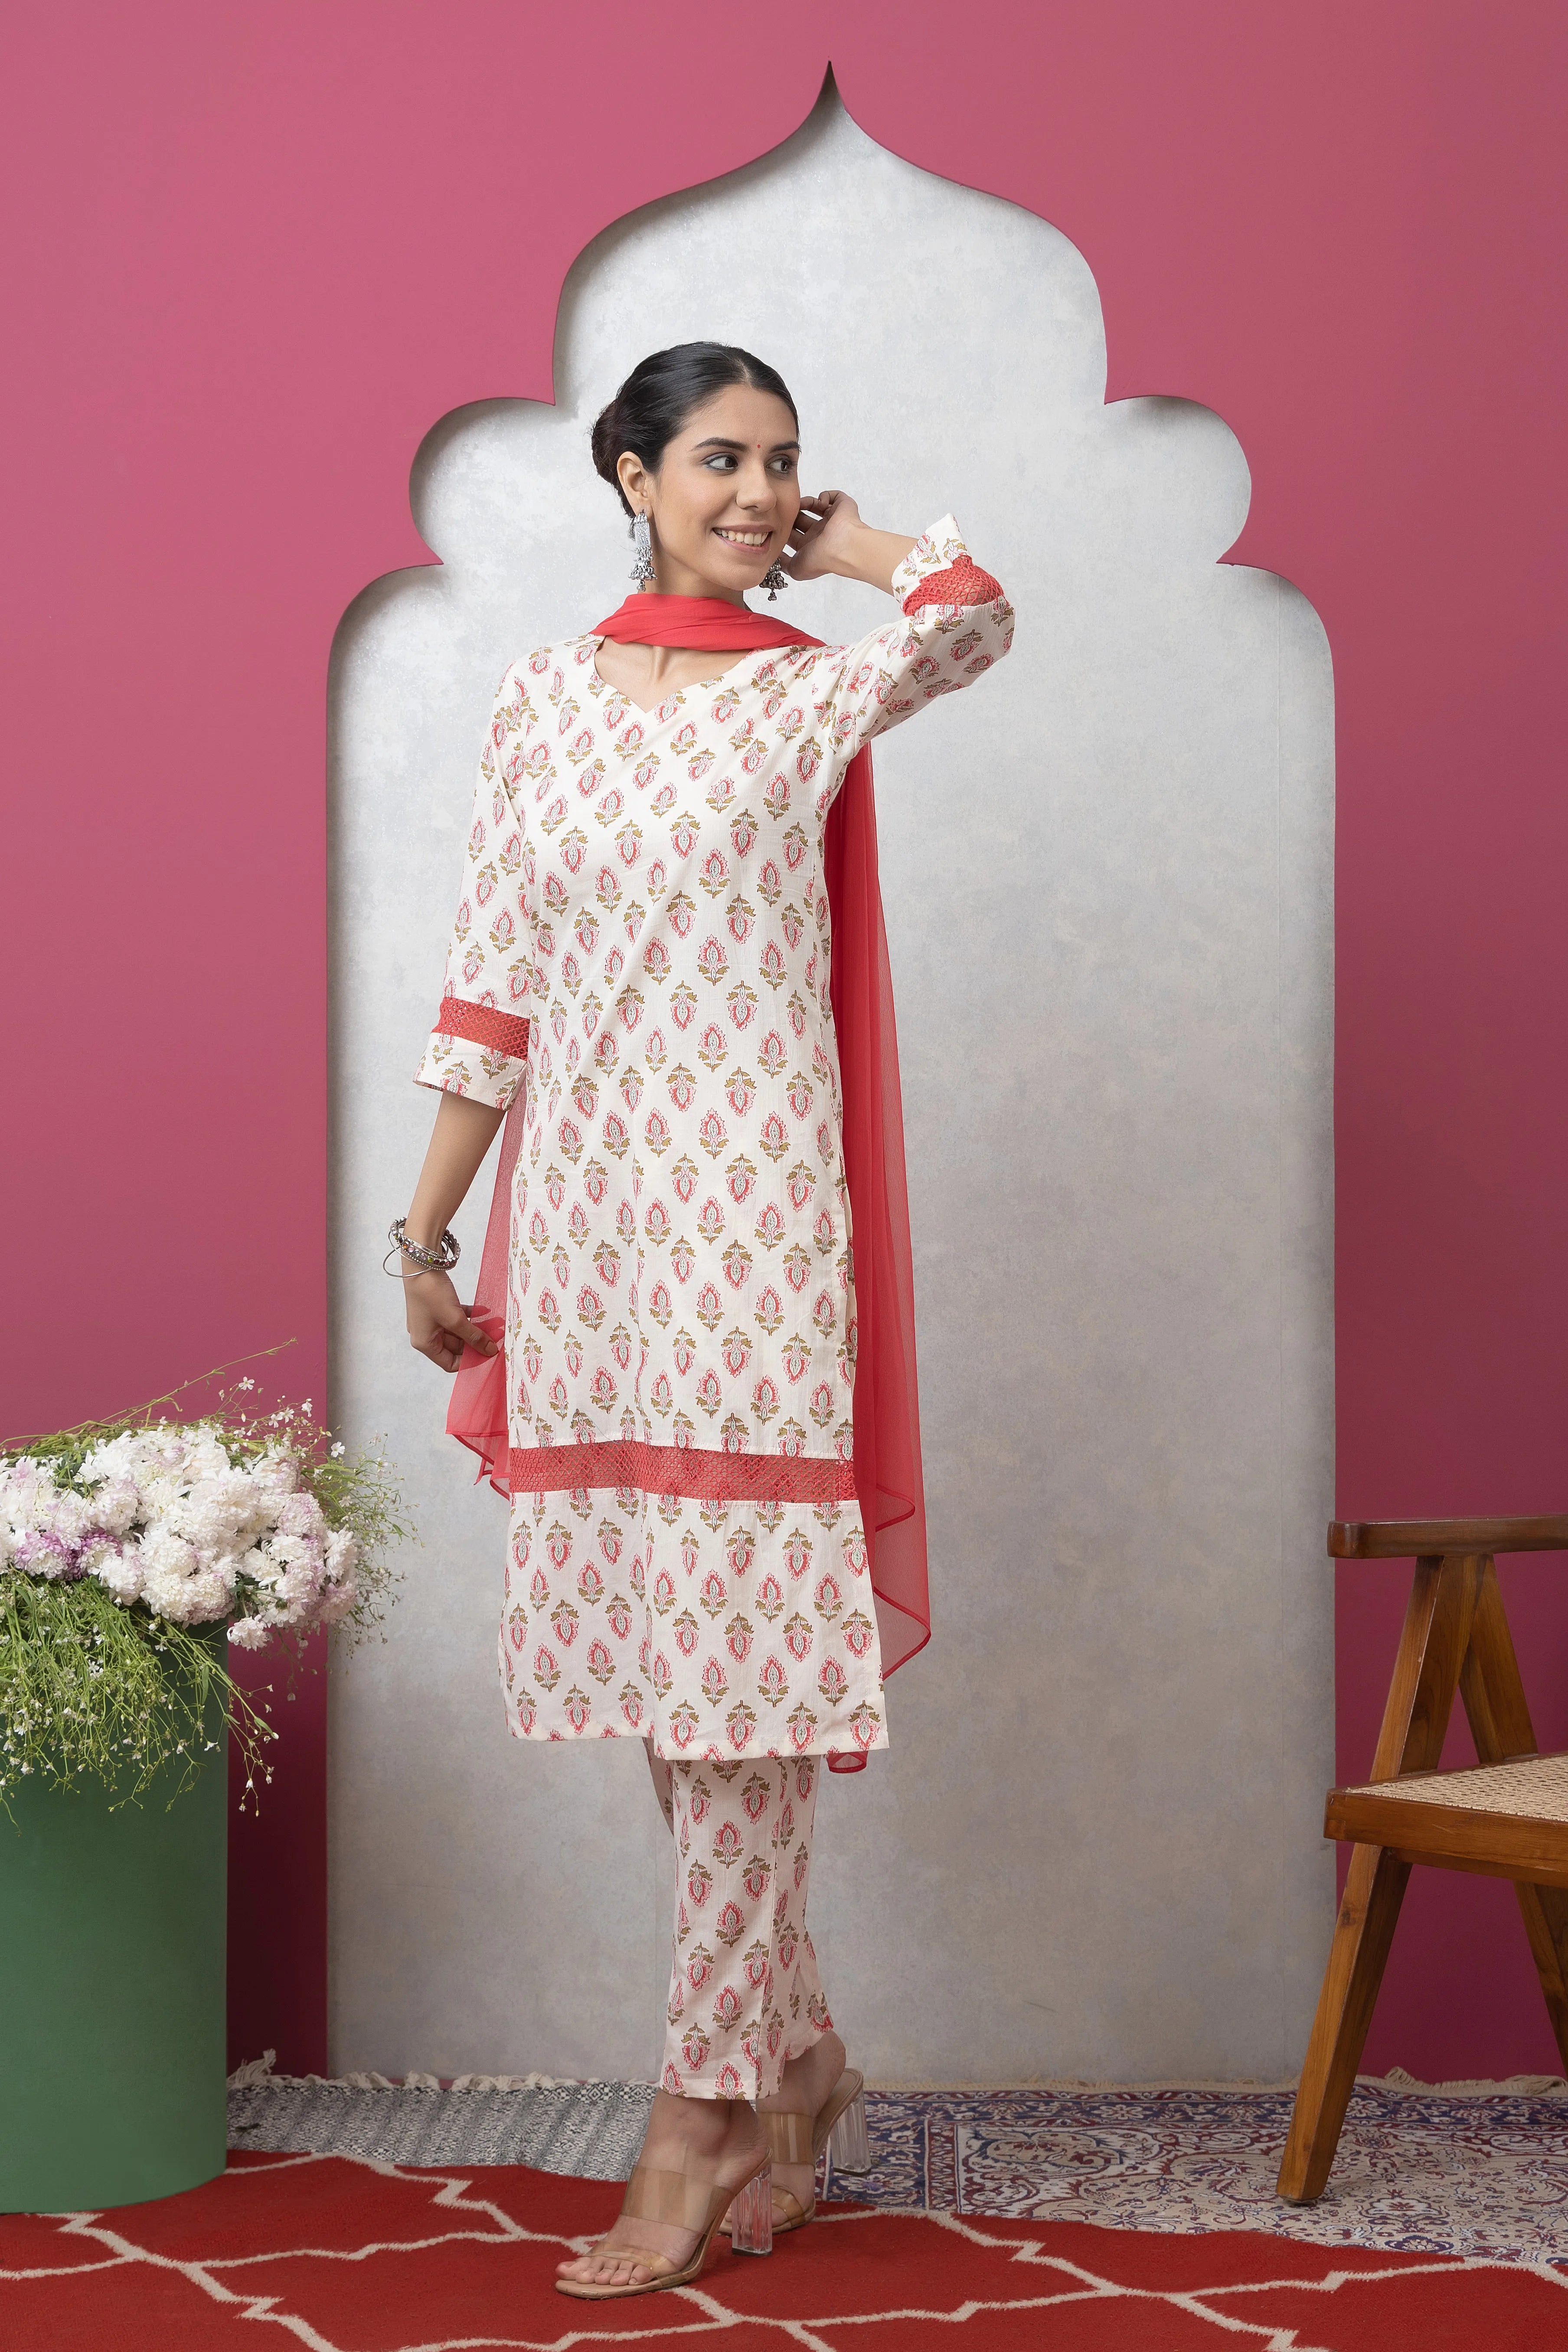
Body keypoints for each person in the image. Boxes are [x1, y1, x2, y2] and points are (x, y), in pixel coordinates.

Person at [394, 342, 1013, 2300]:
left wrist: (859, 546)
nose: (755, 491)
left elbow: (974, 617)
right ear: (633, 474)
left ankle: (697, 2109)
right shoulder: (544, 701)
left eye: (782, 464)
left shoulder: (811, 690)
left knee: (738, 1684)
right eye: (722, 461)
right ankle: (801, 2063)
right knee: (674, 1689)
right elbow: (492, 983)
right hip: (584, 1238)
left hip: (752, 1225)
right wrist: (427, 1234)